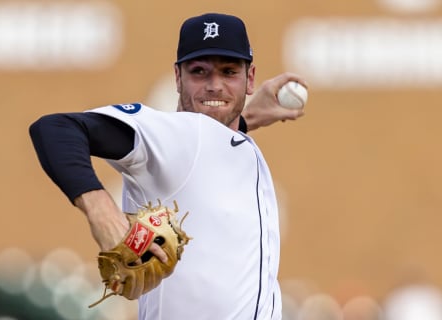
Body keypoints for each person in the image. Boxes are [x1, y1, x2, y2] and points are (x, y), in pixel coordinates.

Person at [29, 12, 308, 320]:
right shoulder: (174, 134)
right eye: (199, 71)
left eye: (229, 72)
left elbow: (211, 148)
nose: (215, 86)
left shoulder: (221, 143)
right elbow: (56, 129)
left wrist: (246, 119)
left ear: (250, 78)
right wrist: (102, 213)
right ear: (178, 78)